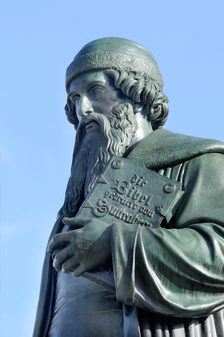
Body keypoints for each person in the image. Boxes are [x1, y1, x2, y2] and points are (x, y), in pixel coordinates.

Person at [33, 37, 224, 337]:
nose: (83, 109)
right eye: (74, 99)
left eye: (94, 91)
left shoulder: (198, 162)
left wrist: (113, 244)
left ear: (137, 95)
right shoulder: (73, 203)